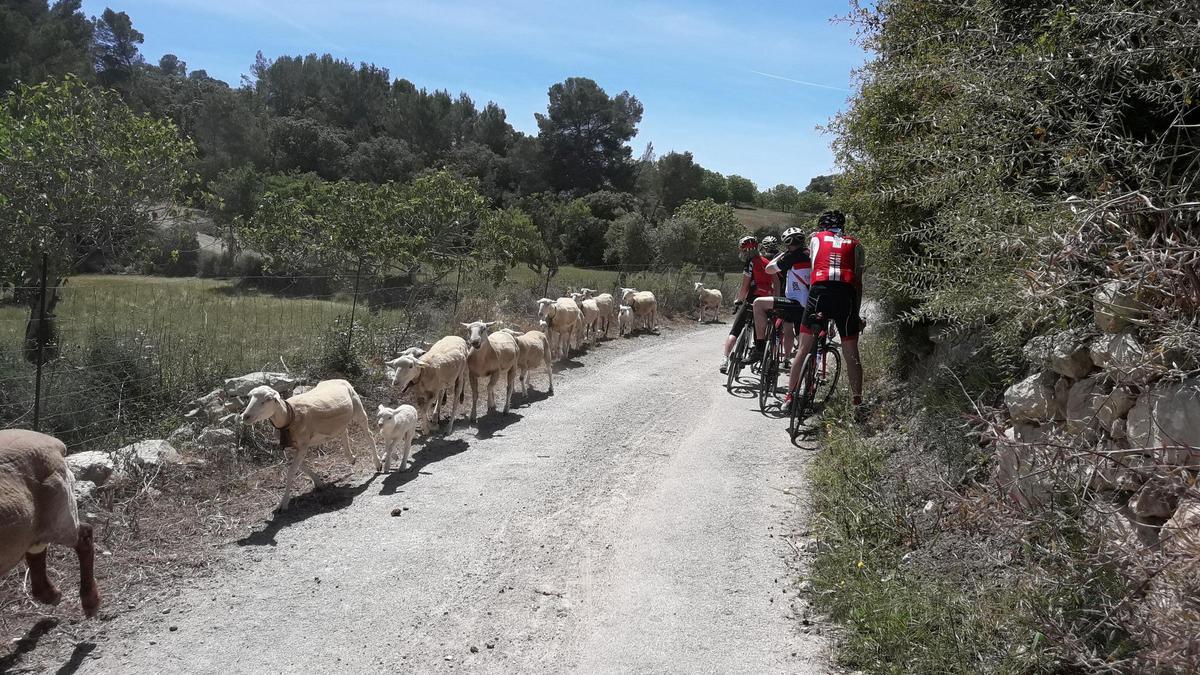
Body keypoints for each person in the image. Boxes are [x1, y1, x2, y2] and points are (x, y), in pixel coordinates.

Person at [785, 210, 865, 408]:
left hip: (820, 292)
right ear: (843, 226)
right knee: (851, 353)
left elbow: (813, 266)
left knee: (803, 349)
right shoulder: (857, 244)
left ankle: (789, 397)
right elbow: (859, 283)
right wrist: (855, 314)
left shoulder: (815, 238)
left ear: (822, 227)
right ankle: (857, 402)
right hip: (846, 294)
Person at [745, 227, 810, 365]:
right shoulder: (810, 254)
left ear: (787, 243)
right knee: (800, 339)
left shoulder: (790, 257)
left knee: (758, 303)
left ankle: (760, 347)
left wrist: (781, 255)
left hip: (792, 302)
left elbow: (769, 269)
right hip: (809, 304)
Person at [720, 235, 775, 374]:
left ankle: (725, 359)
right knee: (760, 331)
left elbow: (745, 287)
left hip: (753, 300)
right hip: (768, 300)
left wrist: (739, 300)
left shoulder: (750, 263)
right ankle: (759, 353)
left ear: (743, 251)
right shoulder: (766, 261)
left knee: (735, 330)